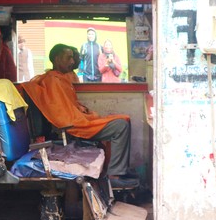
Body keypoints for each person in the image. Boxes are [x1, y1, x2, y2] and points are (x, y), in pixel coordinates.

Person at [22, 44, 139, 188]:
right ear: (57, 59)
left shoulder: (63, 78)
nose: (72, 62)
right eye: (68, 58)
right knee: (120, 125)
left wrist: (85, 113)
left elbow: (70, 106)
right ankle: (114, 175)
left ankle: (120, 170)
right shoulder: (52, 81)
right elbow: (62, 116)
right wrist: (85, 118)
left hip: (79, 119)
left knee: (123, 119)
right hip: (75, 126)